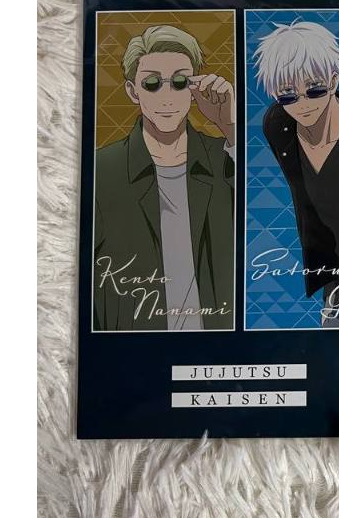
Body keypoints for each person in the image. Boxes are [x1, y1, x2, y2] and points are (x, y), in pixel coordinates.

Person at [93, 24, 235, 331]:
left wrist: (230, 127)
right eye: (152, 83)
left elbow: (267, 227)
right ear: (132, 91)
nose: (167, 98)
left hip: (220, 342)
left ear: (195, 88)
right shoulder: (102, 169)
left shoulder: (226, 156)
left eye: (180, 82)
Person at [254, 21, 339, 328]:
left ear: (334, 80)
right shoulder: (278, 126)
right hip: (337, 294)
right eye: (288, 95)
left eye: (314, 89)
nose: (303, 104)